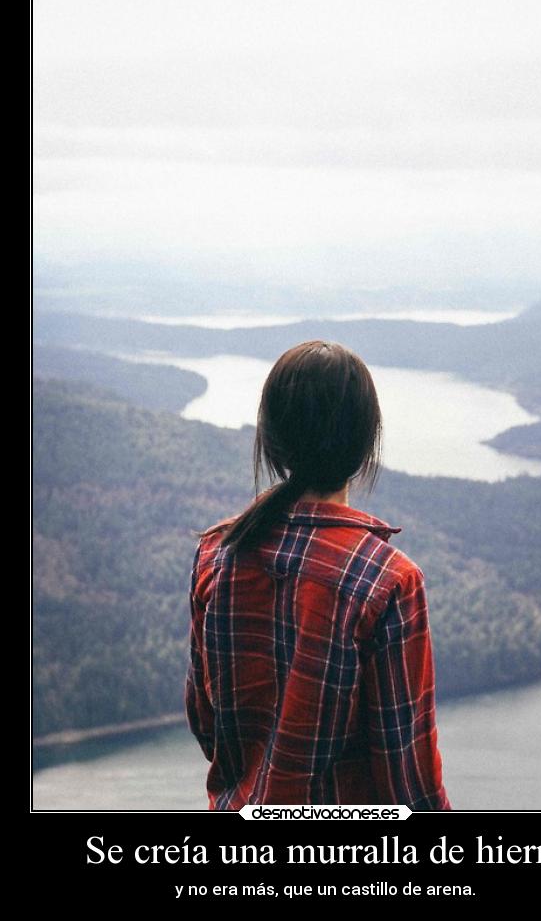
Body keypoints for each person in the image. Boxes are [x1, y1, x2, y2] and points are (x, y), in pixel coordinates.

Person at [185, 339, 451, 810]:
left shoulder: (217, 555)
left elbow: (209, 726)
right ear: (368, 441)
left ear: (270, 438)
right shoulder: (388, 582)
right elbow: (408, 780)